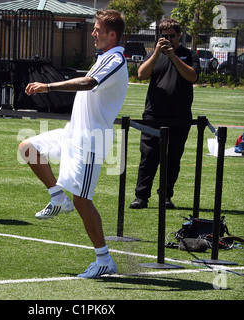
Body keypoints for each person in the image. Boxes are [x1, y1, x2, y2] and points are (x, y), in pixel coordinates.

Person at [19, 9, 128, 278]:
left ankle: (104, 259)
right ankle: (58, 197)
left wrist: (48, 86)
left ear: (112, 35)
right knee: (27, 148)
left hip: (91, 141)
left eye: (98, 30)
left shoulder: (115, 58)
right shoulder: (105, 57)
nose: (93, 33)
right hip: (72, 133)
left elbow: (89, 83)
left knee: (83, 201)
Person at [129, 18, 200, 210]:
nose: (168, 39)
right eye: (164, 36)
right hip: (154, 114)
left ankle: (166, 196)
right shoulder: (153, 54)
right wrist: (158, 53)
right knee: (148, 156)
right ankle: (141, 196)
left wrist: (172, 56)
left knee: (172, 157)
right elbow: (142, 75)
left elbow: (192, 76)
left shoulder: (189, 54)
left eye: (172, 36)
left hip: (179, 115)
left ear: (179, 36)